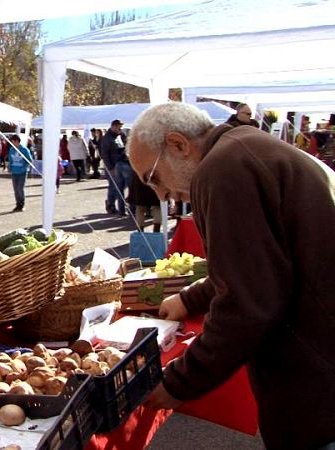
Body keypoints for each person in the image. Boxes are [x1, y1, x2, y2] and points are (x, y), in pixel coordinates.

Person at [128, 102, 335, 450]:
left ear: (178, 144)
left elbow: (248, 303)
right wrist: (188, 298)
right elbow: (259, 266)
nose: (162, 195)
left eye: (154, 178)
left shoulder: (224, 169)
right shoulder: (245, 148)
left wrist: (180, 381)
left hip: (318, 385)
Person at [100, 119, 131, 216]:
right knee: (114, 187)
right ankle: (110, 204)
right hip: (112, 166)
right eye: (118, 127)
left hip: (121, 164)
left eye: (121, 127)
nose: (120, 129)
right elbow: (104, 154)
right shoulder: (107, 138)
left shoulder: (120, 136)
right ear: (113, 126)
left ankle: (111, 202)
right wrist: (110, 168)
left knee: (122, 186)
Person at [7, 134, 32, 212]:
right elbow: (10, 159)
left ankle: (22, 204)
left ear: (17, 141)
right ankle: (17, 204)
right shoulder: (11, 149)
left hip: (22, 172)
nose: (12, 143)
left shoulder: (24, 149)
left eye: (13, 142)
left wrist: (24, 167)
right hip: (14, 172)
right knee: (15, 189)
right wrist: (9, 166)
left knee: (20, 188)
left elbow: (29, 160)